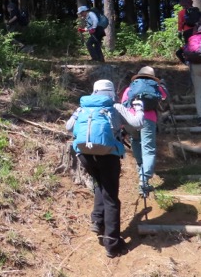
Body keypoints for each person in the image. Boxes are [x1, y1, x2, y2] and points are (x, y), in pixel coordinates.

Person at [66, 79, 145, 258]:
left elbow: (69, 127)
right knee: (111, 198)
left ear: (94, 91)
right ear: (111, 92)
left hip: (85, 155)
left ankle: (97, 220)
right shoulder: (115, 107)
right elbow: (138, 123)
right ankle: (112, 243)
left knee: (99, 185)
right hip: (108, 156)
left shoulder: (82, 107)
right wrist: (139, 106)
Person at [120, 66, 168, 196]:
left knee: (135, 140)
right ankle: (144, 179)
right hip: (148, 118)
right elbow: (164, 98)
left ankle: (140, 167)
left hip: (131, 118)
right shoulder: (155, 86)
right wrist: (163, 86)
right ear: (152, 77)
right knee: (148, 148)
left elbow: (124, 103)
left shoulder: (130, 88)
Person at [175, 0, 201, 64]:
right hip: (197, 30)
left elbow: (180, 23)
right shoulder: (197, 11)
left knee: (189, 46)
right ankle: (200, 59)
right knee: (198, 45)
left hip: (187, 31)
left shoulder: (181, 12)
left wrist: (179, 32)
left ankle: (190, 62)